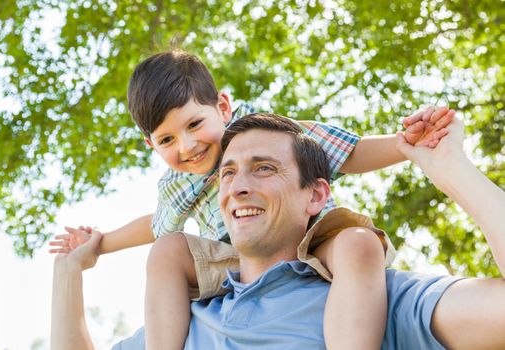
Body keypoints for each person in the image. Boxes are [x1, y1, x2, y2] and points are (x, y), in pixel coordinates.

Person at [49, 50, 452, 349]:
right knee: (169, 250)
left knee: (357, 244)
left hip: (311, 236)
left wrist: (405, 147)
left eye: (194, 124)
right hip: (237, 259)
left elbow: (349, 152)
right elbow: (155, 225)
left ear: (222, 107)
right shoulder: (176, 184)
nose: (187, 146)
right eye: (168, 139)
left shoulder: (266, 137)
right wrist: (100, 242)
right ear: (150, 144)